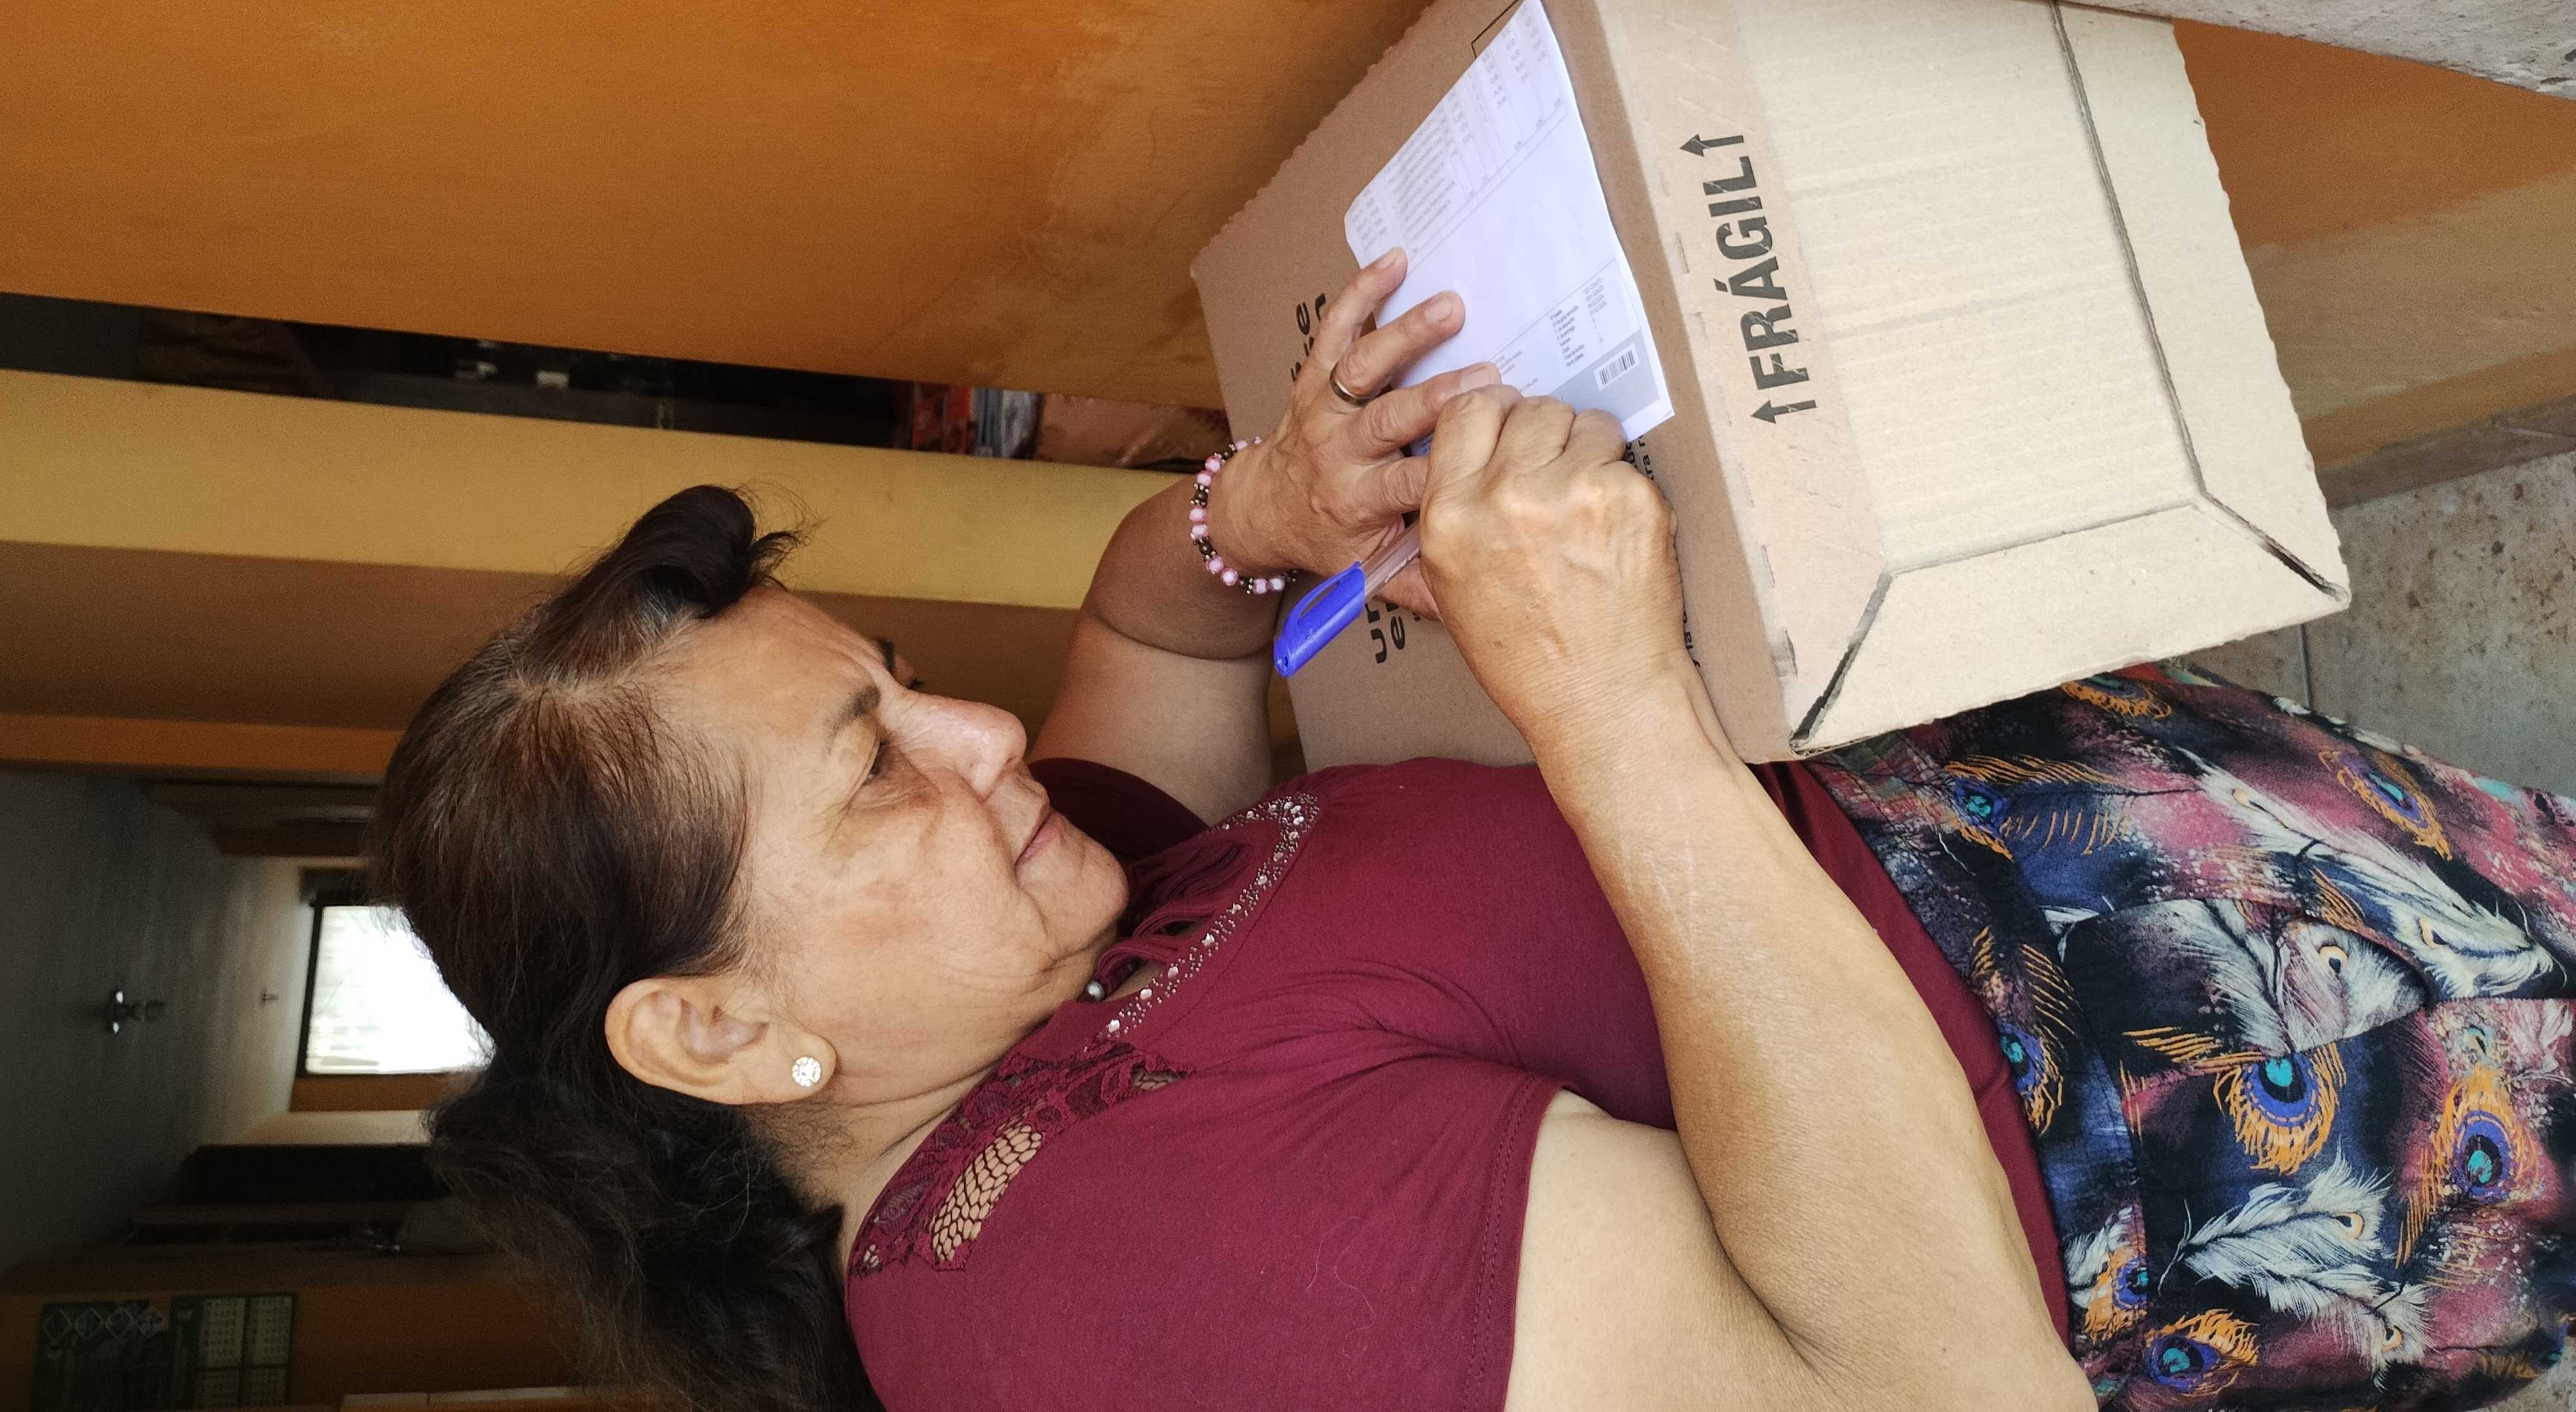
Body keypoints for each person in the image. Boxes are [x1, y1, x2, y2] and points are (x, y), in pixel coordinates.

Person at [372, 253, 2576, 1412]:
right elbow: (1925, 1394)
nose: (976, 732)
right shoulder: (1091, 1291)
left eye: (897, 675)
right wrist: (1606, 707)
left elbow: (1154, 624)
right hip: (2273, 1096)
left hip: (2194, 870)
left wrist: (1256, 515)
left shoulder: (1031, 957)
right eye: (873, 764)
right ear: (715, 1033)